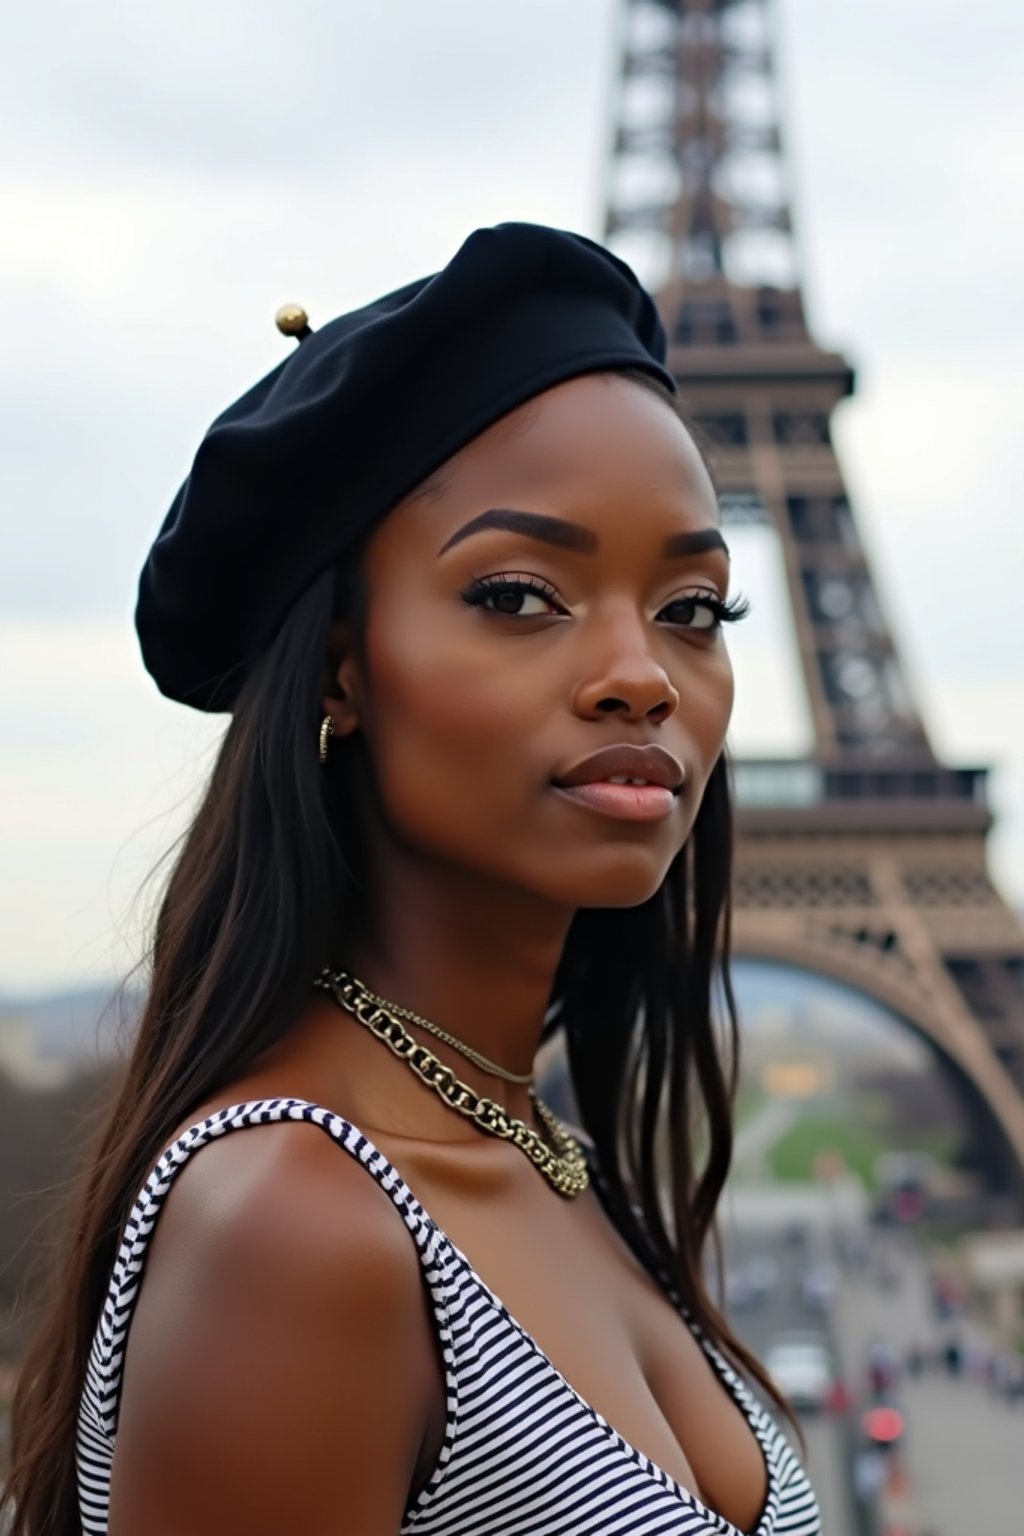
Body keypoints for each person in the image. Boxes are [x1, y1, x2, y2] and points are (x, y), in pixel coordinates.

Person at [3, 224, 821, 1536]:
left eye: (693, 608)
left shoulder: (547, 1156)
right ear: (341, 671)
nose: (644, 673)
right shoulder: (294, 1223)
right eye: (516, 594)